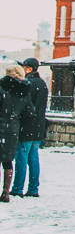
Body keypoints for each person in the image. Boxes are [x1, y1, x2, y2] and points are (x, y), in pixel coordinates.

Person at [10, 57, 48, 198]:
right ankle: (33, 189)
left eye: (24, 67)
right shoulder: (42, 84)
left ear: (29, 69)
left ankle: (17, 188)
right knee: (33, 159)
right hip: (38, 127)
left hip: (26, 127)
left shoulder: (27, 84)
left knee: (21, 158)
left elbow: (23, 107)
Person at [0, 65, 34, 203]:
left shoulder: (2, 88)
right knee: (7, 161)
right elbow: (30, 112)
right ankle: (5, 192)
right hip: (12, 128)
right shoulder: (24, 91)